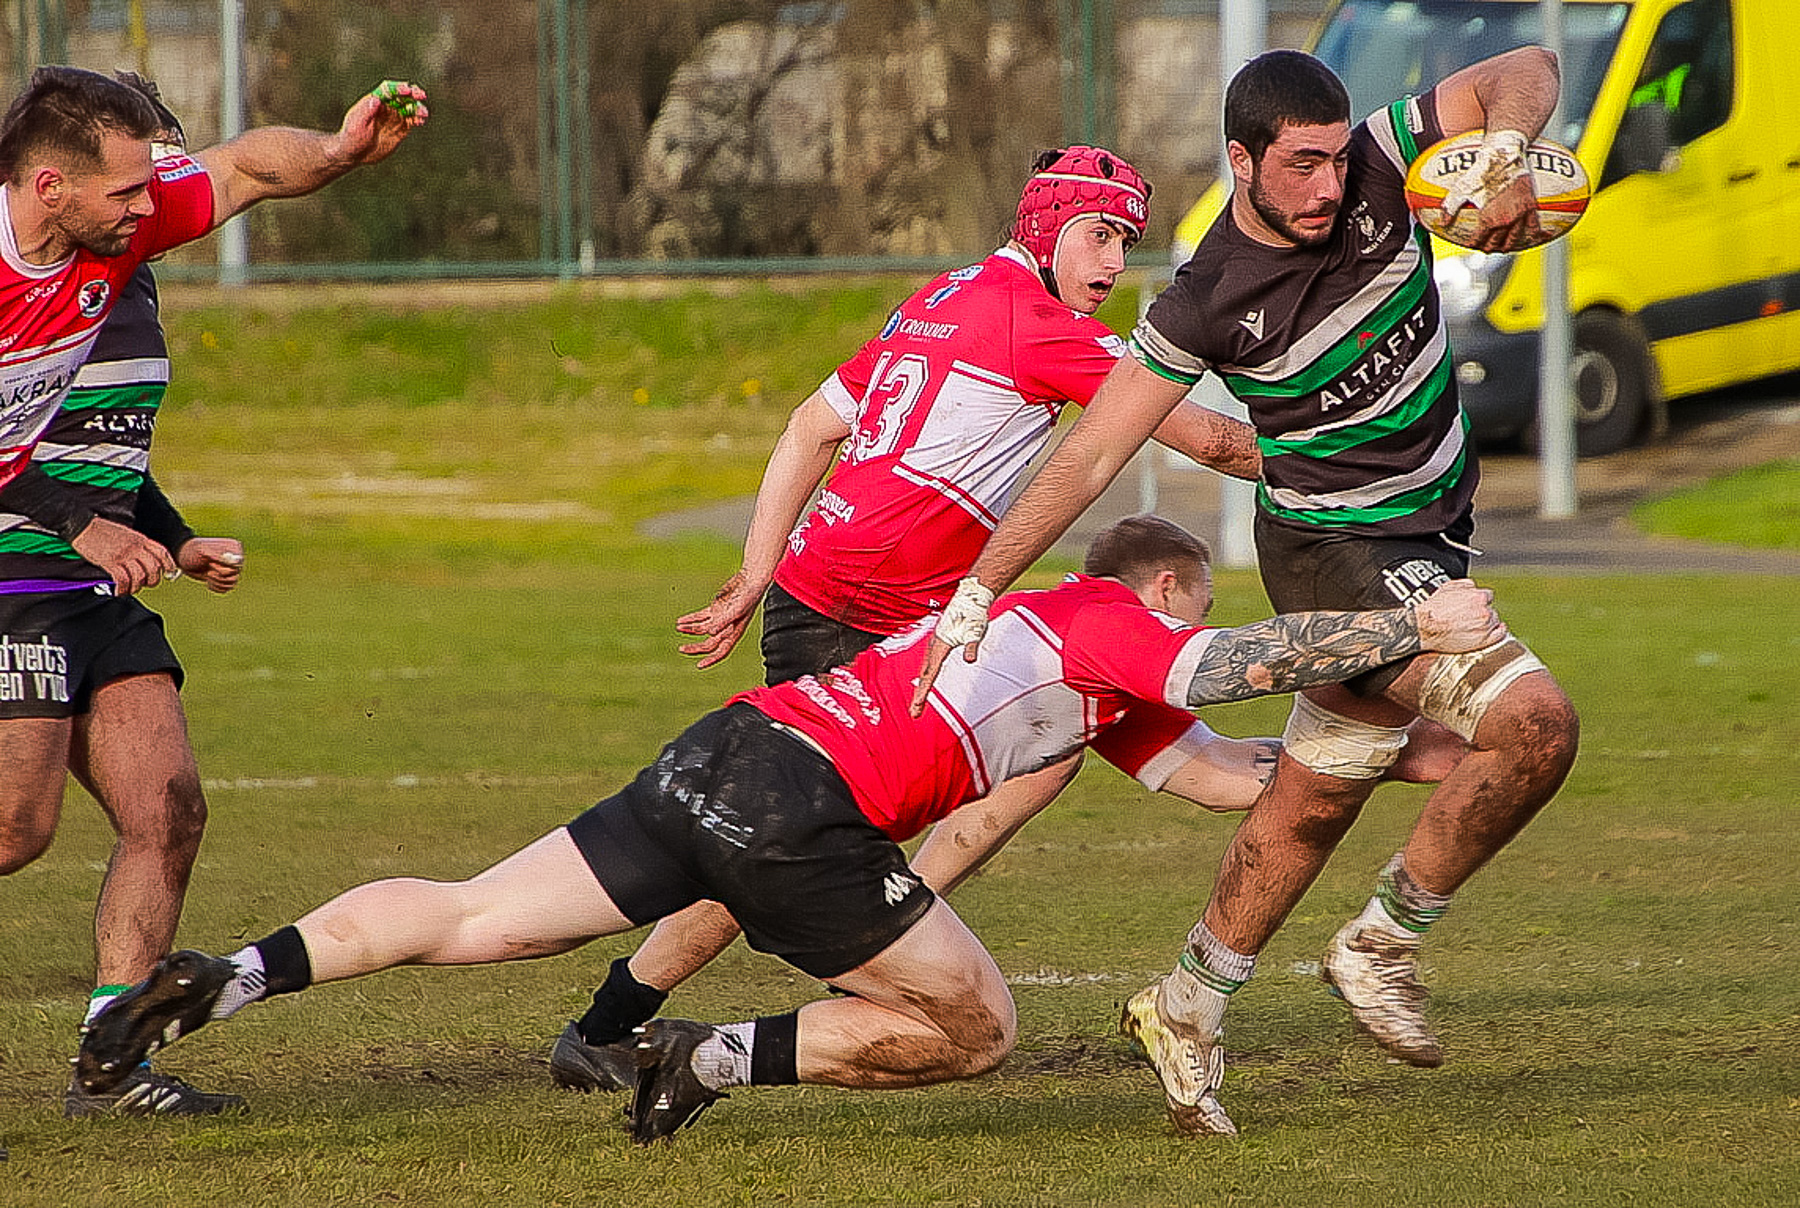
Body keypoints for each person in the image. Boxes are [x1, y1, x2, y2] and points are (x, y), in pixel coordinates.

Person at [73, 517, 1508, 1145]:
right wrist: (1408, 626)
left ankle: (225, 977)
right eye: (1185, 608)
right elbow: (1225, 665)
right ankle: (700, 1056)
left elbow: (1218, 764)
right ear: (1161, 588)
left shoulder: (1078, 671)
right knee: (979, 1029)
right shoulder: (1112, 619)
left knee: (471, 914)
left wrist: (1385, 758)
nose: (1180, 633)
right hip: (802, 812)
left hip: (730, 752)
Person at [910, 48, 1581, 1136]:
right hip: (1334, 550)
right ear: (1242, 161)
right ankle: (1384, 940)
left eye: (1334, 157)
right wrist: (980, 587)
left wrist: (1500, 156)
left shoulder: (1379, 163)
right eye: (1303, 164)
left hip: (1437, 526)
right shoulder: (1206, 298)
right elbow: (1088, 458)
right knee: (1537, 723)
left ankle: (1187, 1001)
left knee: (1317, 797)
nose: (1329, 185)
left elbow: (1529, 66)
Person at [549, 145, 1268, 1089]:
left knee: (1039, 747)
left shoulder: (943, 296)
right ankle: (619, 1023)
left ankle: (887, 917)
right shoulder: (1037, 322)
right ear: (1046, 226)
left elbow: (813, 424)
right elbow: (1207, 437)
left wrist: (757, 570)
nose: (1108, 266)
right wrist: (1348, 462)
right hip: (867, 617)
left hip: (847, 600)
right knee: (773, 842)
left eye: (1125, 243)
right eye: (1097, 235)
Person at [0, 66, 426, 1112]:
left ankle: (110, 1063)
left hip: (83, 583)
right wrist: (81, 522)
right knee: (15, 828)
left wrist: (333, 150)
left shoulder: (116, 236)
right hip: (11, 577)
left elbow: (239, 167)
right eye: (130, 191)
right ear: (51, 185)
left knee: (170, 806)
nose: (154, 208)